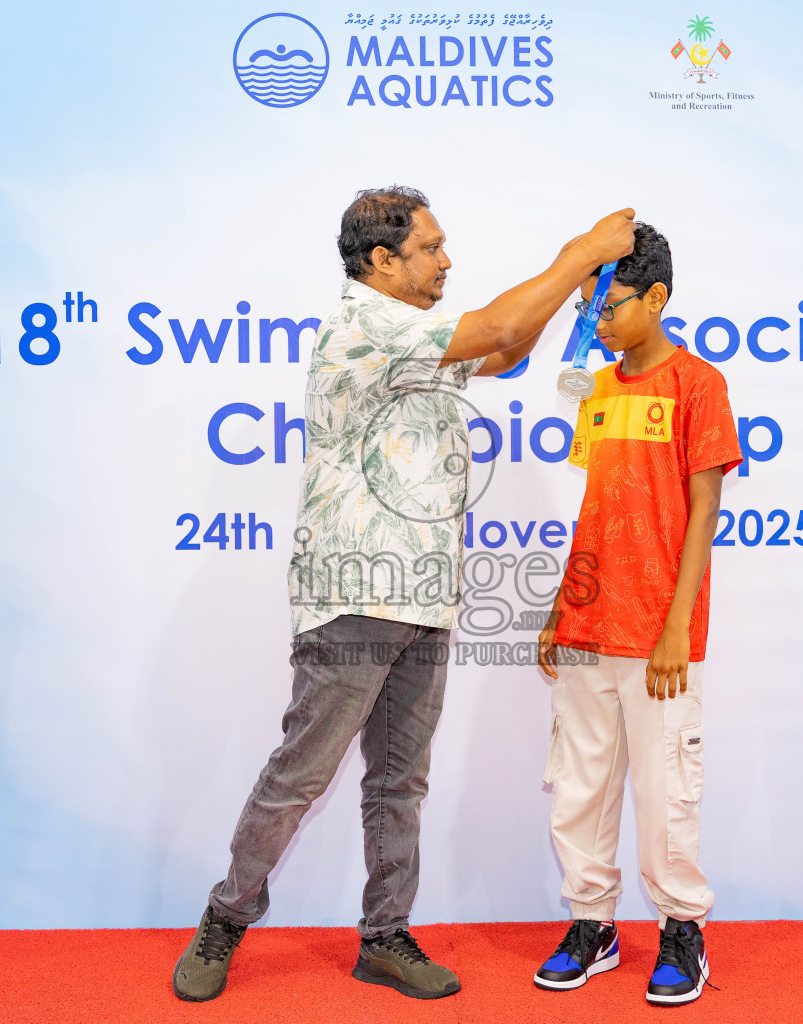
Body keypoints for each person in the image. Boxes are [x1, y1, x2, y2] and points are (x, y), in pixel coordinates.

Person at [172, 188, 635, 1003]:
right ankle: (225, 918)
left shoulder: (416, 337)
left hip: (425, 593)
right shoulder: (364, 324)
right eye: (430, 247)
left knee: (399, 782)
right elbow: (496, 329)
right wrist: (583, 253)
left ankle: (385, 937)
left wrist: (573, 280)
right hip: (353, 596)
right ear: (381, 262)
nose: (446, 259)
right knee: (300, 777)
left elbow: (510, 348)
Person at [533, 224, 741, 1006]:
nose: (598, 323)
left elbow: (703, 512)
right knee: (580, 787)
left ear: (656, 299)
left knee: (665, 795)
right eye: (589, 310)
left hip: (658, 635)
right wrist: (560, 606)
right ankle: (593, 924)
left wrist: (674, 629)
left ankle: (681, 931)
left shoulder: (698, 385)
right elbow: (595, 507)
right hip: (588, 624)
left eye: (610, 306)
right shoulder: (598, 389)